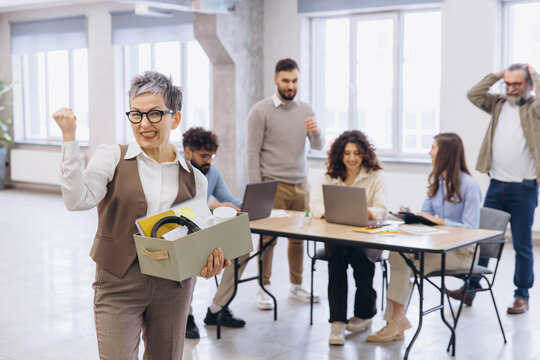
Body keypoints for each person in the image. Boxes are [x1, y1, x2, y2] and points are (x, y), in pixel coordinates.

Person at [53, 71, 229, 359]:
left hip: (174, 288)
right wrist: (69, 138)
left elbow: (194, 241)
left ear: (175, 118)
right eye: (136, 114)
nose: (144, 124)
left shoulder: (195, 179)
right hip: (118, 283)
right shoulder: (112, 157)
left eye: (155, 114)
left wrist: (208, 264)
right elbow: (76, 200)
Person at [367, 133, 482, 343]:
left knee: (404, 260)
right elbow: (426, 216)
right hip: (438, 247)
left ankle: (395, 323)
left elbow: (471, 229)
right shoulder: (438, 181)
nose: (429, 152)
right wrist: (414, 215)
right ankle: (396, 321)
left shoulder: (469, 186)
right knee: (397, 255)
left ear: (445, 153)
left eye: (433, 147)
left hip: (463, 253)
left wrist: (439, 221)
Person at [447, 64, 540, 314]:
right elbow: (473, 95)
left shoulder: (533, 108)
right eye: (507, 84)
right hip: (496, 185)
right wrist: (497, 76)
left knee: (522, 245)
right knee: (484, 240)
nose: (510, 89)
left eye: (516, 84)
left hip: (524, 188)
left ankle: (522, 295)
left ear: (529, 84)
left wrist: (536, 77)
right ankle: (471, 288)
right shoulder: (498, 104)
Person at [247, 58, 324, 309]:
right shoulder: (261, 110)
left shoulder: (306, 110)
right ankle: (263, 287)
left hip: (301, 184)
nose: (291, 86)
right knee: (268, 239)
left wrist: (316, 131)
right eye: (286, 81)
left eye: (294, 80)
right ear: (276, 80)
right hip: (272, 184)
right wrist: (258, 191)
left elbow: (318, 146)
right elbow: (252, 153)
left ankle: (296, 285)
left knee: (299, 238)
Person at [309, 130, 387, 345]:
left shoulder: (375, 175)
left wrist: (362, 211)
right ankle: (337, 323)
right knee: (337, 256)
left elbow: (381, 208)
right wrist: (331, 212)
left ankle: (364, 316)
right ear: (339, 155)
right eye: (347, 153)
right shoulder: (330, 175)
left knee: (362, 257)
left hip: (368, 235)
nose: (352, 158)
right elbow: (315, 204)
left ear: (364, 154)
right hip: (337, 233)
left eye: (357, 153)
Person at [182, 127, 247, 338]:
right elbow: (181, 210)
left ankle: (217, 309)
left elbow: (228, 199)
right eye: (203, 155)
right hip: (184, 232)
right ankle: (185, 316)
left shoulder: (212, 172)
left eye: (211, 155)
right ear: (188, 152)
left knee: (242, 250)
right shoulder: (179, 171)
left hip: (206, 229)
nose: (208, 160)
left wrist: (249, 205)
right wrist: (213, 209)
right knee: (190, 260)